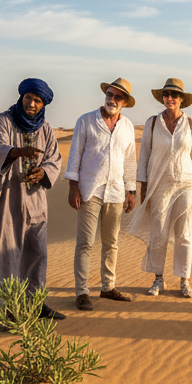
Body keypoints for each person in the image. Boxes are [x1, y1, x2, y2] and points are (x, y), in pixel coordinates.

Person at [0, 79, 63, 318]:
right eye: (28, 98)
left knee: (37, 252)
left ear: (43, 104)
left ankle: (36, 302)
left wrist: (43, 171)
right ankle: (7, 308)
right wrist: (18, 152)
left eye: (37, 100)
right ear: (21, 97)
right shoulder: (3, 121)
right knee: (7, 253)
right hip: (7, 198)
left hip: (36, 199)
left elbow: (54, 158)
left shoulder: (44, 128)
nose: (31, 104)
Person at [66, 78, 138, 311]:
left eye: (118, 97)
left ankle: (108, 287)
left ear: (124, 102)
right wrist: (73, 187)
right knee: (85, 243)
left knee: (111, 243)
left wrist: (131, 191)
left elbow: (129, 161)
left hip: (116, 192)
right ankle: (81, 291)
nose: (112, 99)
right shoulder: (86, 121)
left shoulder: (127, 126)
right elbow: (75, 155)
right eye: (110, 94)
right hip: (90, 190)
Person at [131, 78, 192, 298]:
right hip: (159, 183)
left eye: (174, 95)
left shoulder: (191, 123)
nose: (170, 98)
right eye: (166, 95)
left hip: (186, 183)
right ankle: (158, 279)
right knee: (159, 232)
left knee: (184, 233)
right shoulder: (153, 123)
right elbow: (144, 154)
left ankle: (184, 280)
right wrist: (142, 184)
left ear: (182, 99)